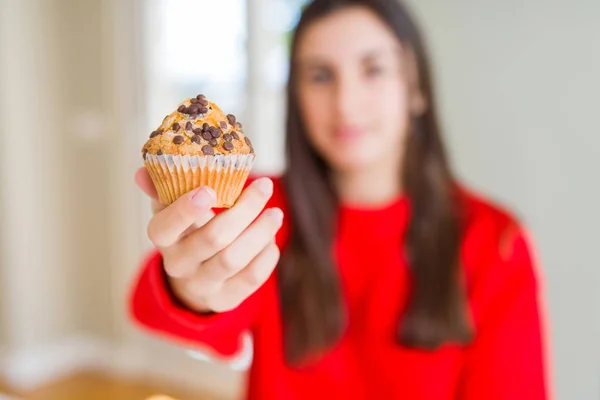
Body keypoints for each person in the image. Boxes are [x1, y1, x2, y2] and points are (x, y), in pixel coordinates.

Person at [129, 0, 550, 399]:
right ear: (297, 99)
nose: (346, 104)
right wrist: (191, 288)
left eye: (373, 69)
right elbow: (147, 308)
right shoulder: (257, 209)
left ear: (416, 88)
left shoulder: (495, 242)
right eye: (321, 76)